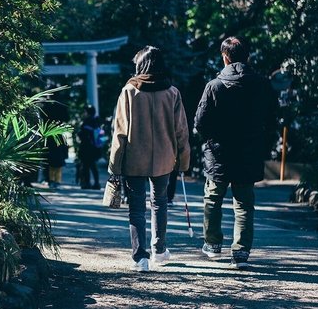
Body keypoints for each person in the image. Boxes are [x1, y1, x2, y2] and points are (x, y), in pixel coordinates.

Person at [194, 36, 277, 269]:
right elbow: (273, 118)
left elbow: (200, 122)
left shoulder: (214, 86)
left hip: (218, 152)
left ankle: (212, 244)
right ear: (247, 57)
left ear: (225, 57)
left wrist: (212, 138)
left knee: (212, 198)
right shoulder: (261, 84)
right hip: (249, 152)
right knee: (243, 203)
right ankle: (240, 252)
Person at [107, 46, 190, 272]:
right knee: (159, 202)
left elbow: (120, 132)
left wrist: (114, 165)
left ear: (140, 65)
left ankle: (140, 258)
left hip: (134, 157)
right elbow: (181, 130)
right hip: (164, 158)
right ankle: (159, 250)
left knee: (136, 208)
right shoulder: (172, 92)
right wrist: (183, 161)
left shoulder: (129, 91)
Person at [77, 105, 102, 189]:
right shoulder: (96, 121)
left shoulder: (87, 122)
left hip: (86, 147)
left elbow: (82, 134)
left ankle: (87, 183)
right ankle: (96, 183)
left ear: (87, 112)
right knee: (93, 166)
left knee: (86, 166)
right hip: (95, 147)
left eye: (85, 111)